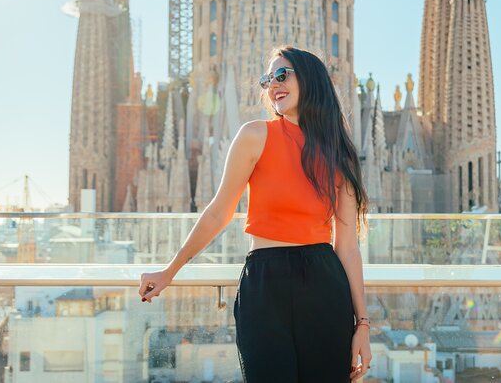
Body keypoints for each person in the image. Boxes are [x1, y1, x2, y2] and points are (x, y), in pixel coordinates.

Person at [139, 46, 372, 382]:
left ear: (311, 79)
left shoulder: (340, 154)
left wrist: (362, 325)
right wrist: (170, 271)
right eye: (268, 79)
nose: (273, 84)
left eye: (282, 75)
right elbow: (219, 211)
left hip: (323, 283)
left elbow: (347, 247)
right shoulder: (255, 136)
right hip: (264, 284)